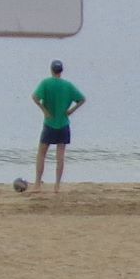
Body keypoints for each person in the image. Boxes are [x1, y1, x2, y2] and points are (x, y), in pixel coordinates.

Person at [30, 59, 85, 191]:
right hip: (63, 123)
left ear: (51, 70)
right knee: (60, 156)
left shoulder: (46, 83)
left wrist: (44, 110)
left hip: (49, 123)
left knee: (42, 153)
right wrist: (71, 110)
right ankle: (57, 185)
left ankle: (37, 183)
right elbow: (82, 99)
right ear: (61, 71)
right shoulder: (67, 85)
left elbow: (35, 97)